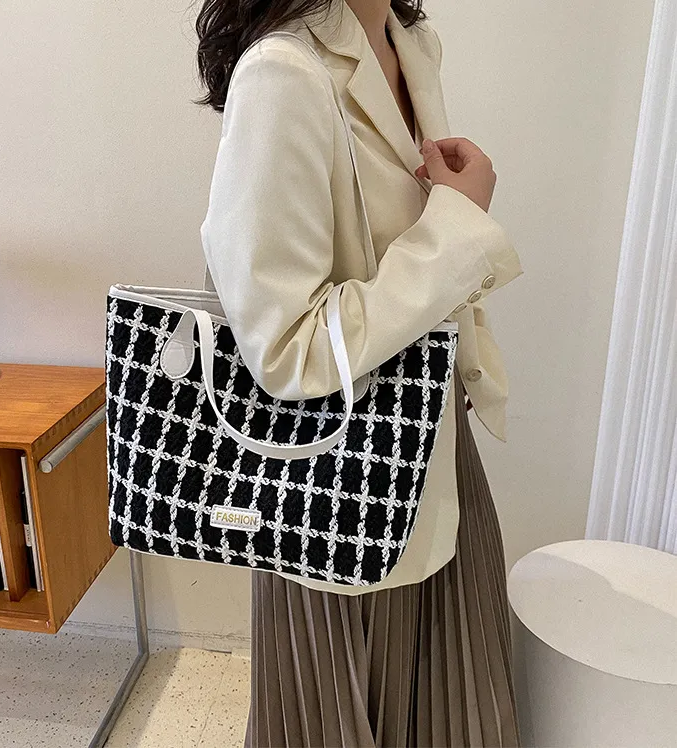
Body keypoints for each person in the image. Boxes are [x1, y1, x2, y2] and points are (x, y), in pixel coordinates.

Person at [197, 0, 524, 745]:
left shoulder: (411, 43)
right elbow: (286, 346)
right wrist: (460, 225)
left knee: (452, 704)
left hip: (434, 439)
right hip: (333, 482)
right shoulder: (284, 73)